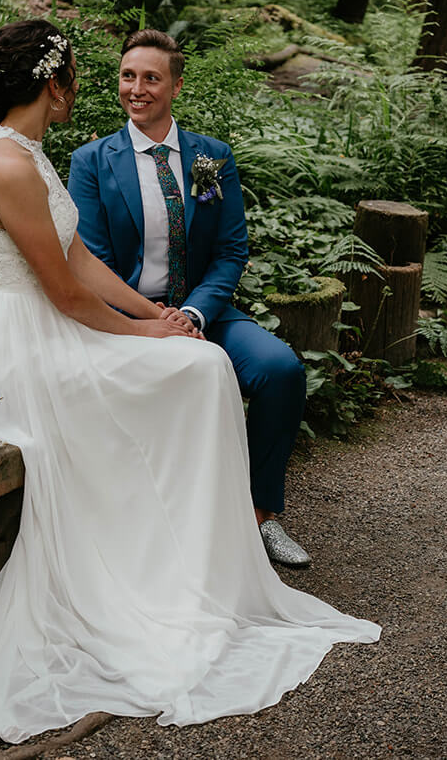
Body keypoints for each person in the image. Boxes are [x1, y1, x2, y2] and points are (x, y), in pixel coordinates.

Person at [0, 20, 378, 748]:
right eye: (83, 77)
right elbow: (62, 293)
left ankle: (202, 552)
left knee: (205, 362)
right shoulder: (7, 163)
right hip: (21, 342)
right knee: (195, 367)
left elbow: (82, 260)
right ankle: (167, 564)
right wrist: (150, 334)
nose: (99, 90)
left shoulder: (29, 151)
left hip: (52, 323)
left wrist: (157, 315)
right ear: (51, 83)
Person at [67, 29, 314, 568]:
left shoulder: (210, 158)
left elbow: (230, 250)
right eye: (128, 76)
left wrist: (196, 311)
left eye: (151, 78)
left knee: (281, 370)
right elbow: (96, 261)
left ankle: (261, 516)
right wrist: (156, 319)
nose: (137, 89)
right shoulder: (92, 161)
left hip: (206, 310)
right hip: (128, 317)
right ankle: (170, 524)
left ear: (175, 85)